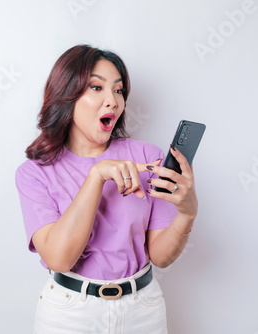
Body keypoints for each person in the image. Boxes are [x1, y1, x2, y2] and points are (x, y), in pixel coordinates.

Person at [15, 44, 198, 333]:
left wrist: (187, 214)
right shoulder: (35, 173)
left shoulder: (147, 157)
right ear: (67, 95)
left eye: (118, 90)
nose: (112, 101)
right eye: (97, 88)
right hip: (69, 313)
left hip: (143, 310)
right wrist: (97, 176)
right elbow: (59, 258)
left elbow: (161, 256)